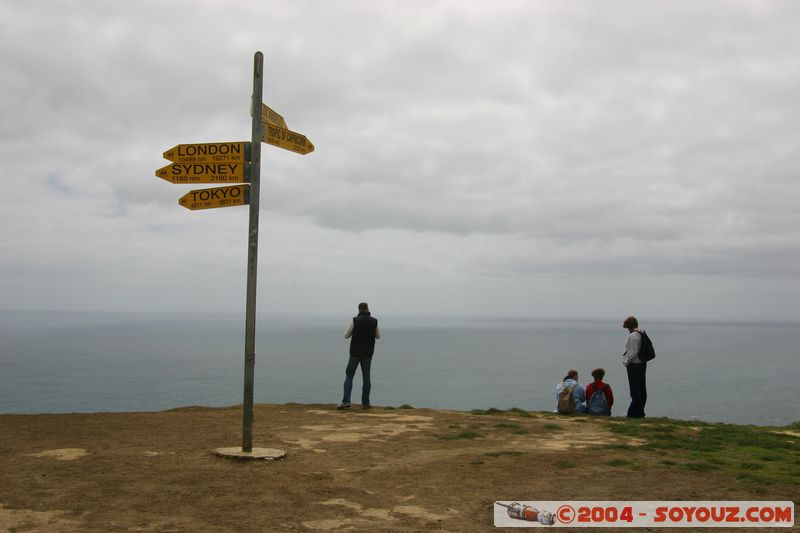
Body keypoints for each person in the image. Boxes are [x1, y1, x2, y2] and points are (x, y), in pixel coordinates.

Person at [338, 302, 381, 410]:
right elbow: (378, 336)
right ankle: (366, 403)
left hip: (355, 353)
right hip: (368, 354)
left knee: (349, 375)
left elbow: (346, 335)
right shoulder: (374, 321)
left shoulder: (355, 320)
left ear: (359, 310)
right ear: (367, 309)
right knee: (366, 377)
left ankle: (346, 401)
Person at [622, 315, 647, 418]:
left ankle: (632, 414)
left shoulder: (632, 336)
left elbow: (633, 353)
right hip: (642, 363)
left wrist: (625, 362)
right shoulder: (642, 333)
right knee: (641, 389)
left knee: (635, 391)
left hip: (634, 365)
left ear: (629, 325)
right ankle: (640, 412)